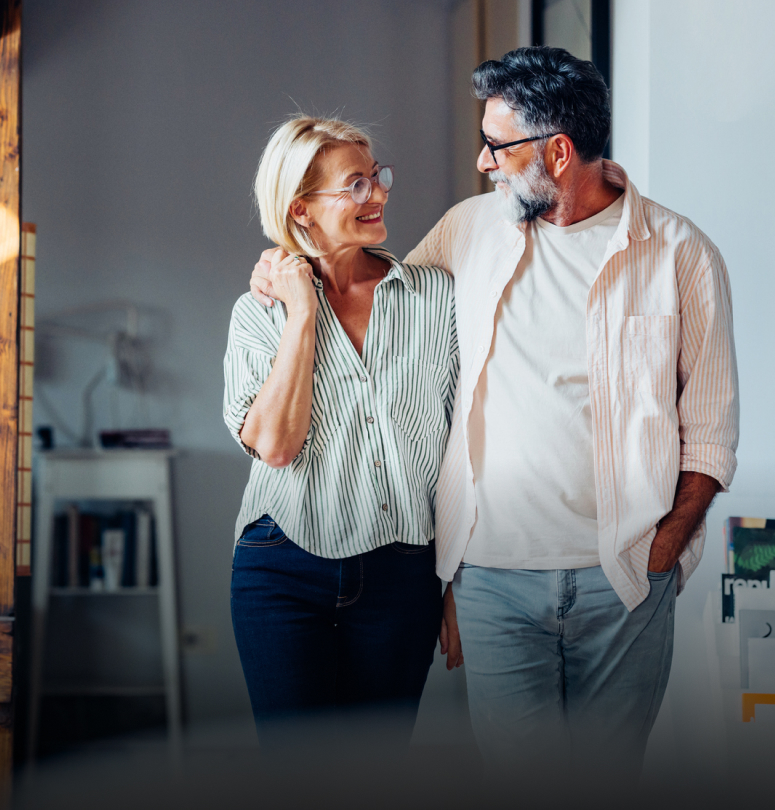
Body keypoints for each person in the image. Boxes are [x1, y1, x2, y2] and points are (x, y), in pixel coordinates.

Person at [250, 48, 739, 790]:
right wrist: (288, 265)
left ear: (558, 151)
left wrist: (667, 543)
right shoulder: (466, 230)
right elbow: (377, 301)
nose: (482, 162)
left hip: (628, 578)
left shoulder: (681, 254)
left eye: (497, 145)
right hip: (493, 577)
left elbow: (709, 425)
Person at [224, 116, 458, 743]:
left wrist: (460, 581)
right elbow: (274, 445)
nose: (378, 193)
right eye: (356, 185)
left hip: (403, 574)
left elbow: (469, 447)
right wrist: (302, 313)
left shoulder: (436, 297)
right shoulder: (259, 311)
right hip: (281, 570)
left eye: (377, 177)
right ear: (302, 209)